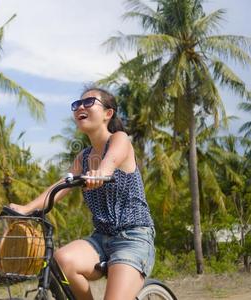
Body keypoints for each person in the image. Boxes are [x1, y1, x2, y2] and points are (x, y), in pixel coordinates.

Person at [10, 86, 155, 300]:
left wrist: (100, 174)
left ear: (108, 113)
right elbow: (62, 185)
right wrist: (27, 209)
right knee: (61, 260)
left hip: (133, 237)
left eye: (89, 103)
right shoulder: (83, 157)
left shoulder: (119, 139)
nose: (80, 107)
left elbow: (110, 162)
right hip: (101, 238)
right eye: (77, 104)